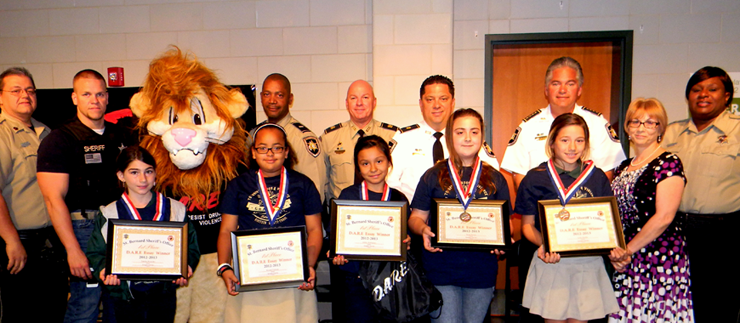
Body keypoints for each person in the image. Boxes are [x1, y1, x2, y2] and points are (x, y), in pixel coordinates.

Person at [37, 69, 132, 323]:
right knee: (85, 304)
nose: (95, 100)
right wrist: (73, 250)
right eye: (87, 94)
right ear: (74, 98)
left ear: (108, 97)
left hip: (121, 227)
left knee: (120, 301)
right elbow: (52, 199)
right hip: (83, 229)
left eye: (100, 94)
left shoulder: (121, 136)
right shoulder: (59, 140)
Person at [516, 113, 620, 323]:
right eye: (565, 140)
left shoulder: (597, 177)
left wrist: (616, 249)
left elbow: (607, 223)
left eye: (579, 140)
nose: (572, 147)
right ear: (552, 142)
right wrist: (545, 244)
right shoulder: (535, 177)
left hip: (587, 263)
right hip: (552, 261)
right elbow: (527, 226)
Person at [408, 108, 509, 323]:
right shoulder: (433, 175)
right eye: (460, 132)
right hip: (441, 267)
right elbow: (415, 218)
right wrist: (423, 229)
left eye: (474, 132)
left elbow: (505, 225)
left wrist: (503, 242)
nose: (467, 138)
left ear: (482, 137)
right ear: (449, 137)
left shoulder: (495, 179)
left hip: (481, 270)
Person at [217, 123, 322, 323]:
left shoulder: (304, 184)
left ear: (286, 152)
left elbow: (315, 229)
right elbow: (226, 231)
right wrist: (224, 266)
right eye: (263, 148)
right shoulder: (238, 185)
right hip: (250, 275)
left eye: (277, 147)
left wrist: (308, 265)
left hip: (293, 276)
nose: (270, 153)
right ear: (254, 153)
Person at [86, 146, 200, 323]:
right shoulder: (109, 213)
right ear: (121, 176)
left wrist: (186, 266)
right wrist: (104, 270)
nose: (142, 179)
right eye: (134, 172)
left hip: (162, 295)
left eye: (148, 171)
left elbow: (191, 246)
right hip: (123, 296)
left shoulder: (175, 209)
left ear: (156, 174)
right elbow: (96, 252)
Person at [662, 66, 739, 322]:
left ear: (727, 96)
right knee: (676, 302)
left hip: (722, 234)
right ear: (688, 97)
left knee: (717, 304)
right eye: (696, 89)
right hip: (674, 231)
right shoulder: (671, 133)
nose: (703, 94)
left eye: (712, 89)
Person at [608, 98, 692, 322]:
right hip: (627, 261)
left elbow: (664, 216)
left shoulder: (669, 162)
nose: (641, 128)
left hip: (659, 259)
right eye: (635, 122)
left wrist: (627, 250)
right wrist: (617, 252)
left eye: (650, 122)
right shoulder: (623, 167)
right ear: (627, 127)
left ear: (660, 129)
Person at [0, 67, 68, 322]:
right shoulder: (3, 134)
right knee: (22, 314)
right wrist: (11, 241)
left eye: (29, 90)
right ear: (0, 97)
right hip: (19, 244)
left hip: (51, 242)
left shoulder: (46, 132)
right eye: (15, 90)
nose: (24, 95)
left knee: (53, 311)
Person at [501, 56, 625, 188]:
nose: (562, 90)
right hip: (541, 205)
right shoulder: (528, 127)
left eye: (570, 84)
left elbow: (606, 173)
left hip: (584, 206)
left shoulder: (598, 125)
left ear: (579, 89)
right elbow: (520, 176)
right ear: (546, 89)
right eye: (556, 84)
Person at [330, 135, 409, 322]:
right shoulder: (348, 196)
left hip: (391, 282)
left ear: (389, 162)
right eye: (365, 164)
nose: (373, 169)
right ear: (358, 167)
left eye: (379, 161)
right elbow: (336, 238)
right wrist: (337, 255)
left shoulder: (399, 198)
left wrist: (407, 242)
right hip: (357, 281)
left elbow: (405, 241)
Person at [388, 75, 499, 202]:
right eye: (430, 100)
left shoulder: (469, 139)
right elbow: (390, 182)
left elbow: (493, 176)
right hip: (414, 215)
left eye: (443, 99)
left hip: (460, 216)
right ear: (420, 104)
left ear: (452, 103)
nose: (437, 105)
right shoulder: (404, 139)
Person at [321, 80, 398, 202]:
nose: (359, 103)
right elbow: (322, 185)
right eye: (353, 98)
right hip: (342, 212)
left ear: (374, 102)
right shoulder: (329, 139)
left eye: (365, 97)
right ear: (346, 103)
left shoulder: (393, 136)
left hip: (385, 212)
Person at [253, 73, 326, 202]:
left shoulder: (302, 139)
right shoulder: (254, 135)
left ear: (290, 99)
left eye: (279, 95)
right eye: (267, 94)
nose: (272, 100)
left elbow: (314, 195)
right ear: (261, 97)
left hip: (293, 218)